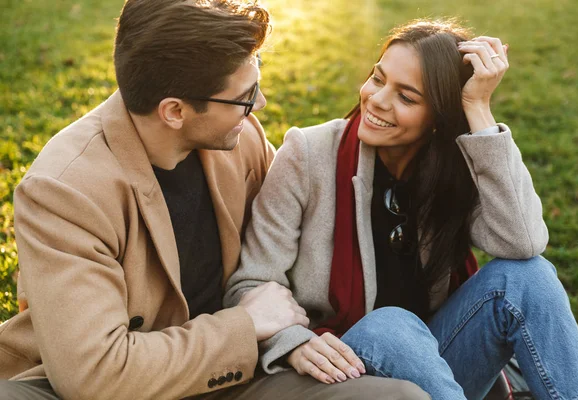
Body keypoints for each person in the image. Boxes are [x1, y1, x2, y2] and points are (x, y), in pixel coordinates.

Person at [0, 1, 429, 399]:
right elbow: (95, 373)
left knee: (398, 397)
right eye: (244, 98)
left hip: (238, 376)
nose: (258, 105)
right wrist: (243, 327)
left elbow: (288, 252)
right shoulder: (64, 190)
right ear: (174, 111)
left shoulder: (239, 140)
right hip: (108, 386)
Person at [225, 20, 578, 400]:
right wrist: (294, 342)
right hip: (344, 367)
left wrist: (479, 111)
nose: (377, 100)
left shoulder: (455, 163)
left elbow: (522, 241)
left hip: (434, 365)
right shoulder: (308, 154)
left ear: (439, 117)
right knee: (391, 324)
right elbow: (252, 282)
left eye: (406, 97)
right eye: (377, 78)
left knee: (528, 276)